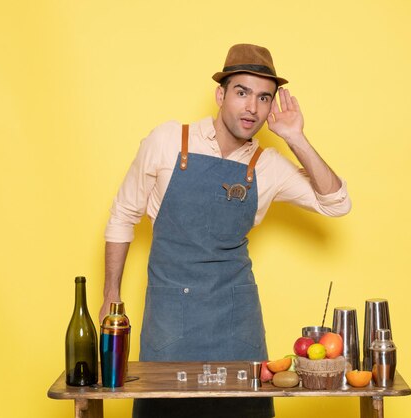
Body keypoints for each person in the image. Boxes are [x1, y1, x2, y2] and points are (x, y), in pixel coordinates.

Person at [101, 43, 351, 418]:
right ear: (220, 94)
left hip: (237, 322)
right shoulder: (168, 141)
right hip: (172, 318)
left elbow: (336, 203)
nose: (252, 107)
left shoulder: (268, 165)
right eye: (242, 92)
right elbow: (123, 214)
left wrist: (295, 137)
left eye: (264, 98)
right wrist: (111, 294)